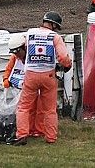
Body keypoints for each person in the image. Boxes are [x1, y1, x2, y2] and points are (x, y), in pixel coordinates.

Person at [13, 11, 72, 146]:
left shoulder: (29, 34)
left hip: (31, 75)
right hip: (49, 75)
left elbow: (18, 48)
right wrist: (67, 66)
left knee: (24, 107)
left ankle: (22, 135)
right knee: (50, 109)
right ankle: (51, 137)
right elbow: (63, 57)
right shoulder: (55, 37)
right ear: (53, 25)